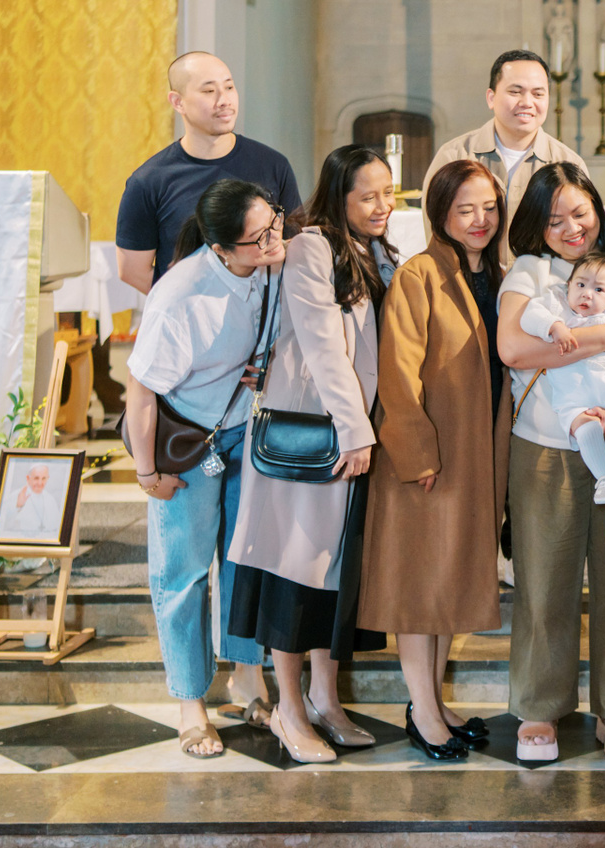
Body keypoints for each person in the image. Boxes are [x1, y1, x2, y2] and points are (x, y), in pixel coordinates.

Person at [226, 146, 395, 765]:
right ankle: (289, 710)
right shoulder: (310, 247)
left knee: (332, 574)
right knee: (292, 573)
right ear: (338, 197)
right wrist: (355, 430)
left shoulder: (374, 249)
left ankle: (326, 700)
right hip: (313, 433)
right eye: (367, 196)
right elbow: (324, 346)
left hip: (351, 434)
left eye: (388, 193)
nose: (381, 206)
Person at [495, 162, 605, 763]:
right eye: (554, 218)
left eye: (580, 213)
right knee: (544, 580)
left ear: (597, 211)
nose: (570, 228)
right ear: (537, 224)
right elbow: (513, 347)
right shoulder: (531, 271)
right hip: (544, 444)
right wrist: (604, 338)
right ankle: (540, 706)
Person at [123, 179, 285, 759]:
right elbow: (140, 393)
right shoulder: (181, 295)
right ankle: (190, 703)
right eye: (258, 237)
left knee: (246, 560)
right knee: (184, 573)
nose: (273, 239)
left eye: (273, 223)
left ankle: (248, 677)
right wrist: (148, 474)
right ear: (220, 248)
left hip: (244, 429)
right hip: (187, 441)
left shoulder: (269, 265)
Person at [358, 159, 508, 761]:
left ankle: (434, 701)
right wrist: (417, 453)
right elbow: (396, 371)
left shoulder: (497, 274)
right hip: (427, 458)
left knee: (447, 583)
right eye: (464, 209)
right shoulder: (419, 274)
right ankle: (422, 711)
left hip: (473, 453)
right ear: (439, 213)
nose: (479, 220)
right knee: (420, 588)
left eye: (489, 207)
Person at [116, 51, 303, 291]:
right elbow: (132, 270)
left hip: (265, 311)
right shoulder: (148, 181)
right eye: (209, 91)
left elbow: (296, 244)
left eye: (229, 87)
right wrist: (193, 304)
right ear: (177, 102)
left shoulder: (273, 164)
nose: (224, 100)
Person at [424, 48, 587, 267]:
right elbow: (436, 237)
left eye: (538, 94)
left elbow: (581, 239)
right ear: (491, 98)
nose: (527, 102)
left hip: (544, 285)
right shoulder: (454, 156)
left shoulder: (568, 163)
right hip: (466, 282)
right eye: (516, 92)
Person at [518, 252, 605, 501]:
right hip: (573, 394)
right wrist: (554, 326)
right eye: (580, 285)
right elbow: (528, 316)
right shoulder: (556, 304)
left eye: (599, 289)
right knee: (585, 429)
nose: (587, 294)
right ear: (568, 285)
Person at [0, 463, 62, 539]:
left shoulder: (50, 500)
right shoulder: (16, 496)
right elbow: (2, 525)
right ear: (28, 478)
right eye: (36, 478)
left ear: (48, 478)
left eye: (44, 478)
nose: (40, 483)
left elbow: (57, 528)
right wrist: (18, 506)